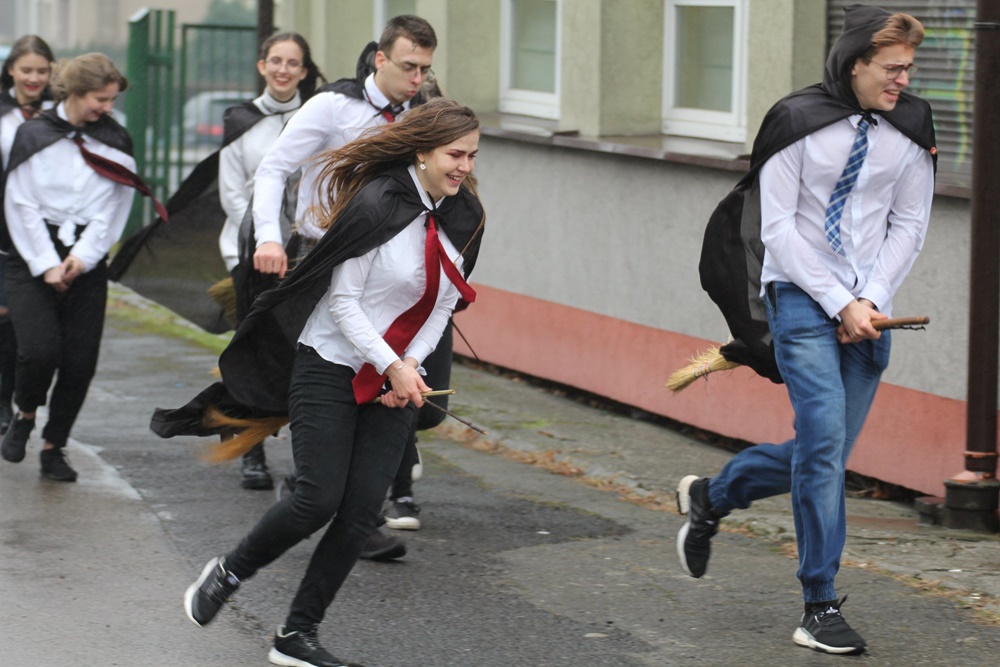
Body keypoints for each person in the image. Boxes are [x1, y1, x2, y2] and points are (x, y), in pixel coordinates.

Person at [181, 97, 484, 667]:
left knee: (362, 512)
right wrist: (391, 364)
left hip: (397, 376)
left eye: (472, 155)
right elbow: (343, 302)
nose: (465, 167)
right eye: (455, 155)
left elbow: (445, 304)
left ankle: (295, 635)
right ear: (422, 151)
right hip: (331, 363)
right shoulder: (376, 203)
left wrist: (409, 365)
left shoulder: (463, 216)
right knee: (317, 500)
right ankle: (228, 572)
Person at [677, 6, 935, 656]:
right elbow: (778, 228)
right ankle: (818, 603)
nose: (903, 81)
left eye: (908, 68)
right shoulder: (796, 120)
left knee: (823, 452)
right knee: (822, 448)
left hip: (871, 306)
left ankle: (711, 495)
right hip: (798, 294)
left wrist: (868, 299)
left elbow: (909, 224)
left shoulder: (910, 128)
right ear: (855, 63)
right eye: (892, 68)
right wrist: (838, 301)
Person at [250, 14, 438, 559]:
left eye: (425, 69)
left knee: (402, 389)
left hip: (390, 269)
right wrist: (269, 237)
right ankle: (344, 508)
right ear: (380, 59)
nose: (417, 79)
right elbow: (273, 169)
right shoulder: (332, 107)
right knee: (335, 378)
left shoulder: (420, 117)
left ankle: (328, 493)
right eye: (408, 66)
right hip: (324, 256)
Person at [0, 53, 149, 481]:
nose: (107, 107)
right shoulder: (33, 133)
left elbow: (114, 205)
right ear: (76, 92)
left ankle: (54, 448)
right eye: (100, 99)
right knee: (39, 350)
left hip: (87, 254)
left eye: (112, 99)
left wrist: (82, 258)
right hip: (31, 253)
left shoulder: (115, 140)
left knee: (80, 362)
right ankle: (25, 414)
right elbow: (20, 203)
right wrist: (47, 264)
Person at [218, 32, 323, 491]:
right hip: (250, 252)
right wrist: (267, 239)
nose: (283, 70)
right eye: (275, 61)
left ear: (304, 71)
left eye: (292, 63)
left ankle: (309, 456)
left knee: (303, 353)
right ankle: (251, 449)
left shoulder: (317, 117)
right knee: (254, 352)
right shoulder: (241, 121)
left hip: (305, 255)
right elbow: (232, 194)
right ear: (262, 66)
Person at [0, 35, 56, 435]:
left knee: (31, 328)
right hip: (2, 228)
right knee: (4, 317)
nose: (33, 78)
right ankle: (3, 400)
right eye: (26, 70)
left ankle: (24, 399)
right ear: (11, 71)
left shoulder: (58, 113)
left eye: (41, 71)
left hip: (44, 230)